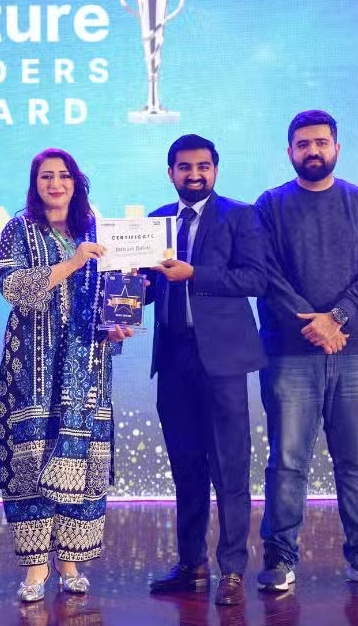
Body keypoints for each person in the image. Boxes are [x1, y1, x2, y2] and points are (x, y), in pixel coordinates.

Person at [253, 109, 358, 593]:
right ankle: (280, 556)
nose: (312, 150)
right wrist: (316, 327)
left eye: (321, 142)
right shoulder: (269, 205)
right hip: (289, 356)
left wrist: (336, 319)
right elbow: (267, 275)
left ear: (336, 147)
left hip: (357, 355)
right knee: (287, 462)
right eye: (303, 144)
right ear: (289, 151)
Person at [0, 148, 136, 603]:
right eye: (46, 177)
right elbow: (12, 286)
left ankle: (70, 562)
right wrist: (72, 262)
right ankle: (35, 569)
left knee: (85, 460)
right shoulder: (18, 228)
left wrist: (117, 323)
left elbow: (114, 292)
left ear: (77, 182)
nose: (56, 184)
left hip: (88, 368)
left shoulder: (97, 229)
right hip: (32, 367)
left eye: (64, 176)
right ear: (35, 184)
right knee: (31, 459)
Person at [145, 134, 268, 607]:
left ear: (215, 170)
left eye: (203, 167)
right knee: (186, 466)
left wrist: (195, 274)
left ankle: (232, 570)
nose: (194, 175)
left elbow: (255, 279)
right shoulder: (157, 221)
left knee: (230, 467)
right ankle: (191, 565)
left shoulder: (240, 215)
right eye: (184, 167)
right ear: (170, 172)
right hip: (173, 358)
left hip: (223, 361)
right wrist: (128, 290)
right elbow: (150, 288)